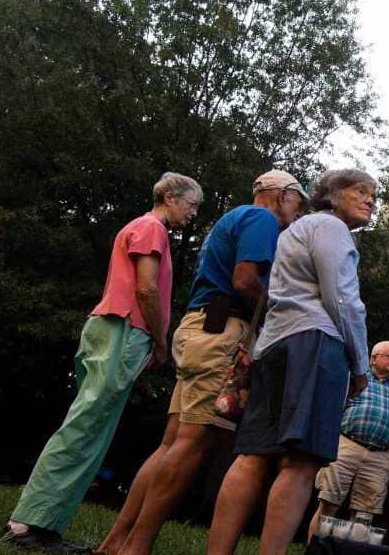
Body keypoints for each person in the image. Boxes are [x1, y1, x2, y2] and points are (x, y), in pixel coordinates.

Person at [97, 170, 307, 555]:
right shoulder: (260, 219)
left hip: (201, 328)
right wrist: (282, 312)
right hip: (221, 331)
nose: (300, 209)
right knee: (192, 444)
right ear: (278, 195)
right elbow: (245, 280)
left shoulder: (231, 219)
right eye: (298, 199)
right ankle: (135, 548)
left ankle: (116, 542)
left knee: (171, 443)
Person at [2, 172, 202, 553]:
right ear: (171, 197)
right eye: (192, 205)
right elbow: (145, 288)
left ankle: (42, 523)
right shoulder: (150, 228)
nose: (193, 214)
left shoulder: (143, 227)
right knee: (85, 427)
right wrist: (160, 341)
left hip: (115, 330)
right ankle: (26, 524)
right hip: (122, 330)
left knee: (90, 429)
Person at [205, 169, 375, 555]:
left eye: (374, 195)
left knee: (254, 455)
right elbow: (342, 300)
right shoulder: (332, 229)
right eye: (361, 191)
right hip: (315, 343)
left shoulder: (295, 231)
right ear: (332, 195)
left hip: (274, 344)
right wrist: (361, 365)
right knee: (300, 461)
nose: (370, 200)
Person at [306, 340, 389, 543]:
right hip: (345, 445)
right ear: (374, 358)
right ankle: (315, 550)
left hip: (380, 456)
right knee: (328, 505)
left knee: (364, 516)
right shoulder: (356, 379)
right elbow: (334, 406)